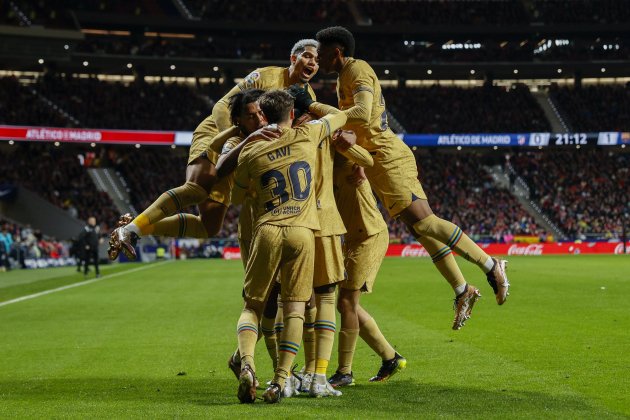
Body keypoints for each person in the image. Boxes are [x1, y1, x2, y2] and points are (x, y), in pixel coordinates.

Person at [315, 26, 510, 330]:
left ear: (337, 51)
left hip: (391, 159)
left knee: (425, 222)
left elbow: (365, 113)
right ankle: (462, 290)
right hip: (378, 162)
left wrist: (325, 117)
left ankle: (490, 264)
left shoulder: (357, 69)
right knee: (421, 231)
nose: (318, 57)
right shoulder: (344, 77)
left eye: (322, 52)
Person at [108, 39, 319, 260]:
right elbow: (221, 106)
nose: (312, 62)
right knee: (198, 188)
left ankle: (137, 228)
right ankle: (130, 230)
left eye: (316, 59)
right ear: (294, 58)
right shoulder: (265, 76)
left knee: (208, 227)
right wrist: (233, 138)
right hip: (217, 134)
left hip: (246, 146)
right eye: (307, 56)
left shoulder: (308, 98)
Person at [227, 89, 347, 404]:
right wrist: (313, 106)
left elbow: (236, 199)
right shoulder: (308, 135)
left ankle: (249, 363)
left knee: (252, 307)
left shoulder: (250, 151)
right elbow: (344, 116)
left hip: (267, 230)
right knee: (296, 308)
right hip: (303, 233)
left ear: (262, 116)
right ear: (292, 114)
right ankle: (281, 381)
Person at [328, 152, 406, 387]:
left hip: (369, 236)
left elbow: (366, 149)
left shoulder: (342, 146)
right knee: (346, 304)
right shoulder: (323, 155)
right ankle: (390, 357)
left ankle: (345, 372)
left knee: (347, 303)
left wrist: (363, 166)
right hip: (352, 238)